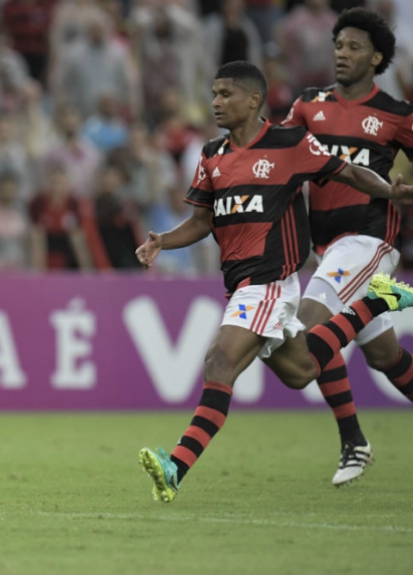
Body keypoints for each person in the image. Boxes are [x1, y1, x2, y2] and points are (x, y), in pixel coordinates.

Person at [135, 61, 413, 503]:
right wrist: (162, 242)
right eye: (213, 93)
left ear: (254, 100)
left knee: (218, 362)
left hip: (270, 281)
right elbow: (202, 221)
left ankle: (176, 467)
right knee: (300, 371)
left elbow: (349, 172)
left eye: (226, 94)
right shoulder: (212, 155)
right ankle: (378, 303)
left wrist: (389, 192)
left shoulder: (290, 143)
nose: (216, 102)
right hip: (240, 284)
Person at [281, 8, 413, 487]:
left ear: (377, 57)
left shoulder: (397, 114)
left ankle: (353, 440)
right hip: (326, 246)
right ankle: (356, 441)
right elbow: (278, 158)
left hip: (369, 241)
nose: (342, 53)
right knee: (383, 357)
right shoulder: (306, 106)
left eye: (354, 47)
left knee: (308, 329)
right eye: (338, 45)